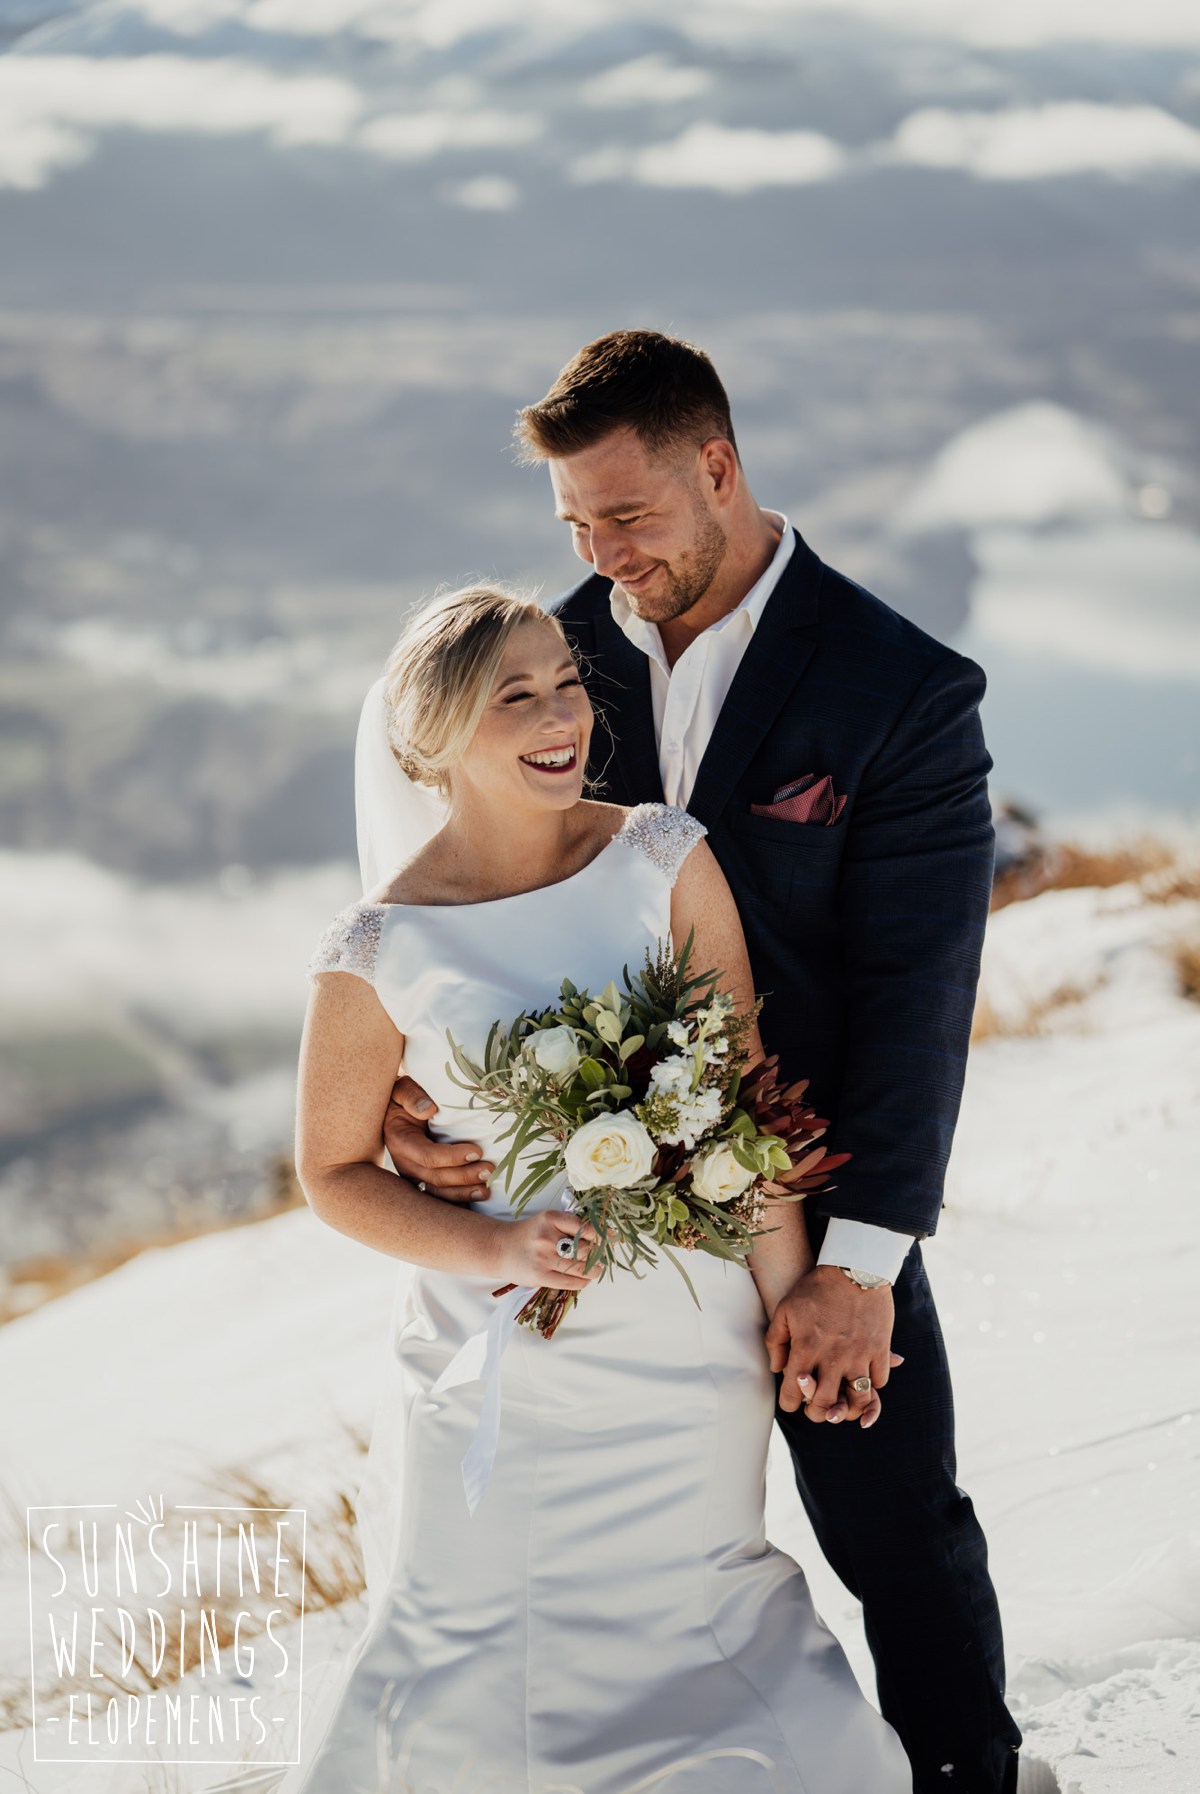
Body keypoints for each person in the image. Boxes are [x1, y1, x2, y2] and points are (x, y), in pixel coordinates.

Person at [371, 331, 1023, 1793]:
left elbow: (919, 998)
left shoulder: (902, 690)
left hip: (803, 1209)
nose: (602, 558)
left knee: (892, 1526)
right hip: (590, 1237)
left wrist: (855, 1266)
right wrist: (422, 1091)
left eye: (629, 517)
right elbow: (466, 887)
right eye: (576, 527)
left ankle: (967, 1778)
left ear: (717, 468)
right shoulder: (550, 658)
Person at [290, 585, 911, 1793]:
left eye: (564, 682)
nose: (558, 713)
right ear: (433, 741)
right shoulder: (378, 948)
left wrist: (794, 1310)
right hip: (497, 1373)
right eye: (511, 696)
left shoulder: (659, 858)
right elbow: (331, 1174)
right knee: (467, 1647)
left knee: (706, 1619)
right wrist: (500, 1252)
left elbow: (744, 1103)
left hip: (689, 1357)